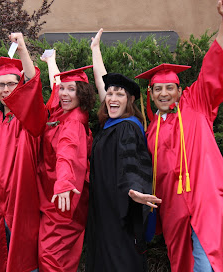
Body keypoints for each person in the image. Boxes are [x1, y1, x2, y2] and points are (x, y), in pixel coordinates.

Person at [134, 2, 223, 271]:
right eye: (157, 88)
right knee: (182, 264)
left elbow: (214, 65)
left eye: (169, 87)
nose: (163, 93)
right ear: (150, 94)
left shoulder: (196, 105)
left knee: (206, 261)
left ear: (179, 89)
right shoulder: (150, 130)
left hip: (204, 198)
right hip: (172, 208)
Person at [0, 33, 48, 272]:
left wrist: (22, 49)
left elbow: (34, 88)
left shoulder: (28, 119)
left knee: (22, 262)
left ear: (20, 85)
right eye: (1, 85)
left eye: (11, 84)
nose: (5, 90)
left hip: (19, 204)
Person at [85, 28, 161, 272]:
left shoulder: (128, 128)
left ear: (129, 100)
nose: (112, 97)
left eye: (120, 94)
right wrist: (95, 50)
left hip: (121, 211)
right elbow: (102, 81)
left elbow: (133, 164)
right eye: (110, 94)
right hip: (103, 209)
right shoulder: (109, 124)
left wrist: (137, 191)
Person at [37, 50, 94, 272]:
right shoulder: (64, 113)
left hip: (63, 199)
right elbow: (55, 87)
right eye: (64, 88)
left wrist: (63, 183)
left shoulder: (72, 124)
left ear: (83, 94)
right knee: (62, 259)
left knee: (50, 258)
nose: (64, 94)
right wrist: (51, 61)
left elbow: (67, 154)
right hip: (57, 198)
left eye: (72, 89)